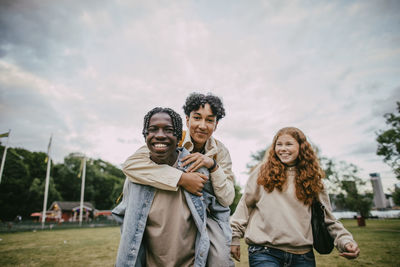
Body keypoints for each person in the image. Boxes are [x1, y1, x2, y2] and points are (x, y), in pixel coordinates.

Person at [122, 92, 235, 266]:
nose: (202, 126)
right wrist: (182, 178)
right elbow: (131, 165)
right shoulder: (171, 137)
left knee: (221, 258)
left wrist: (212, 164)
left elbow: (227, 198)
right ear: (188, 120)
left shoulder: (221, 151)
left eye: (209, 120)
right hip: (168, 207)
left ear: (216, 124)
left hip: (206, 211)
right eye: (197, 118)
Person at [230, 127, 360, 267]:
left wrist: (346, 241)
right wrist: (234, 237)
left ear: (301, 147)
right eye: (279, 144)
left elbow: (328, 218)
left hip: (302, 256)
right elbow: (244, 207)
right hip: (264, 252)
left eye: (289, 144)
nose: (283, 149)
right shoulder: (261, 173)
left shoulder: (313, 179)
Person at [113, 107, 209, 267]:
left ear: (179, 137)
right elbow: (122, 214)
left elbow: (219, 211)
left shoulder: (197, 170)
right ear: (145, 136)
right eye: (152, 130)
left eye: (169, 130)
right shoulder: (135, 178)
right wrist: (182, 179)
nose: (159, 135)